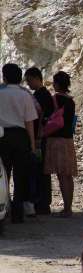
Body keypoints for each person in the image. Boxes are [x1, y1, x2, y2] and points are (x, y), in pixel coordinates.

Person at [0, 63, 38, 223]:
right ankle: (17, 213)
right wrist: (33, 144)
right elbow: (29, 122)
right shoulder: (26, 95)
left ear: (5, 77)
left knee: (3, 175)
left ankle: (3, 208)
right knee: (20, 175)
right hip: (21, 136)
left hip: (2, 136)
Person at [44, 71, 77, 218]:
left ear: (56, 84)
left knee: (61, 176)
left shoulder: (53, 99)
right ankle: (69, 207)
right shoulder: (71, 101)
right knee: (68, 175)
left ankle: (66, 209)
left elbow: (46, 119)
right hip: (68, 141)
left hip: (56, 140)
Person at [25, 67, 55, 215]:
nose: (28, 84)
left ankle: (40, 202)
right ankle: (44, 203)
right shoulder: (45, 94)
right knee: (43, 171)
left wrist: (36, 138)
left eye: (29, 80)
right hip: (42, 137)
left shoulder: (40, 95)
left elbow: (38, 120)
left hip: (38, 138)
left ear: (37, 78)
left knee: (38, 171)